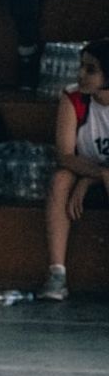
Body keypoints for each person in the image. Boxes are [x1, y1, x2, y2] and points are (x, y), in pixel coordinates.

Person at [39, 38, 109, 301]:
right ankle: (57, 274)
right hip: (85, 168)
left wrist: (91, 181)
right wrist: (99, 174)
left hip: (94, 174)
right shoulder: (74, 98)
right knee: (59, 180)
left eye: (91, 70)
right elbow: (66, 155)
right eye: (81, 67)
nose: (81, 74)